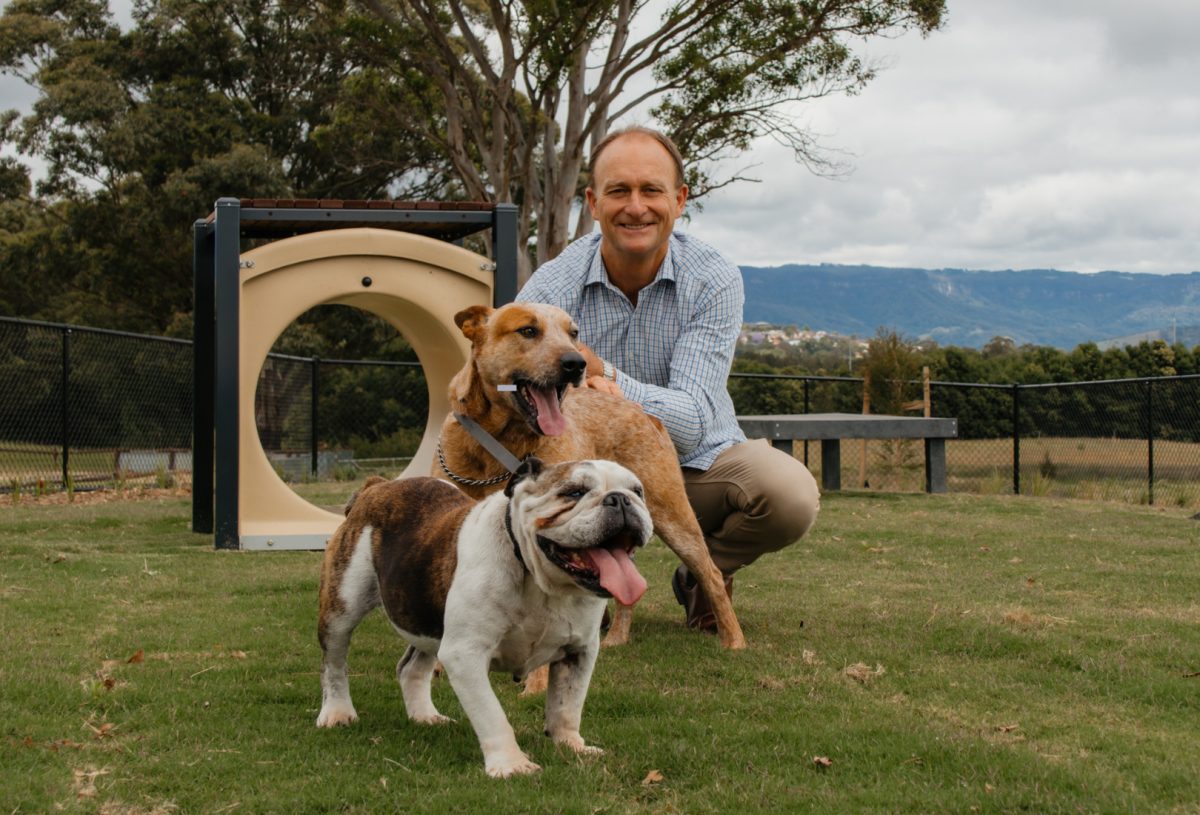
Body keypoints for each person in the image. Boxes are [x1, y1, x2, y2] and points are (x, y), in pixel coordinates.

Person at [516, 125, 820, 633]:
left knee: (788, 495)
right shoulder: (552, 285)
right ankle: (579, 581)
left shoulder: (714, 276)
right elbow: (510, 380)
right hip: (583, 474)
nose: (636, 206)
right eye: (618, 191)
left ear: (679, 200)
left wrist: (608, 377)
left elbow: (694, 423)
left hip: (695, 469)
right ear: (593, 202)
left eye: (651, 190)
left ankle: (703, 573)